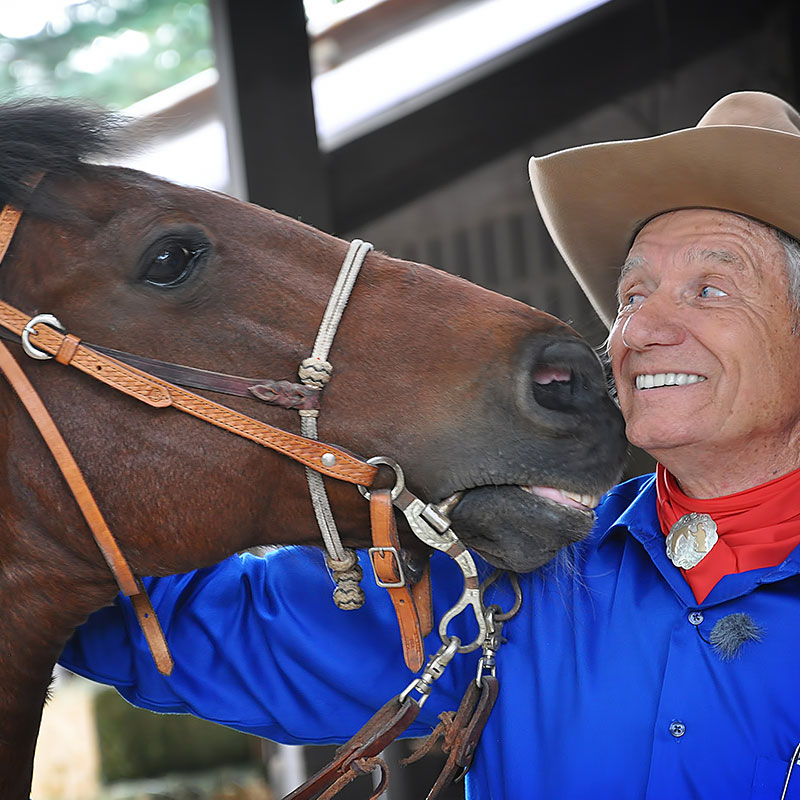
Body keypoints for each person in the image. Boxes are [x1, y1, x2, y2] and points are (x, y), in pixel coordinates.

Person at [61, 91, 800, 799]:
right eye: (633, 296)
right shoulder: (511, 578)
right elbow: (186, 635)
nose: (638, 332)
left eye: (710, 290)